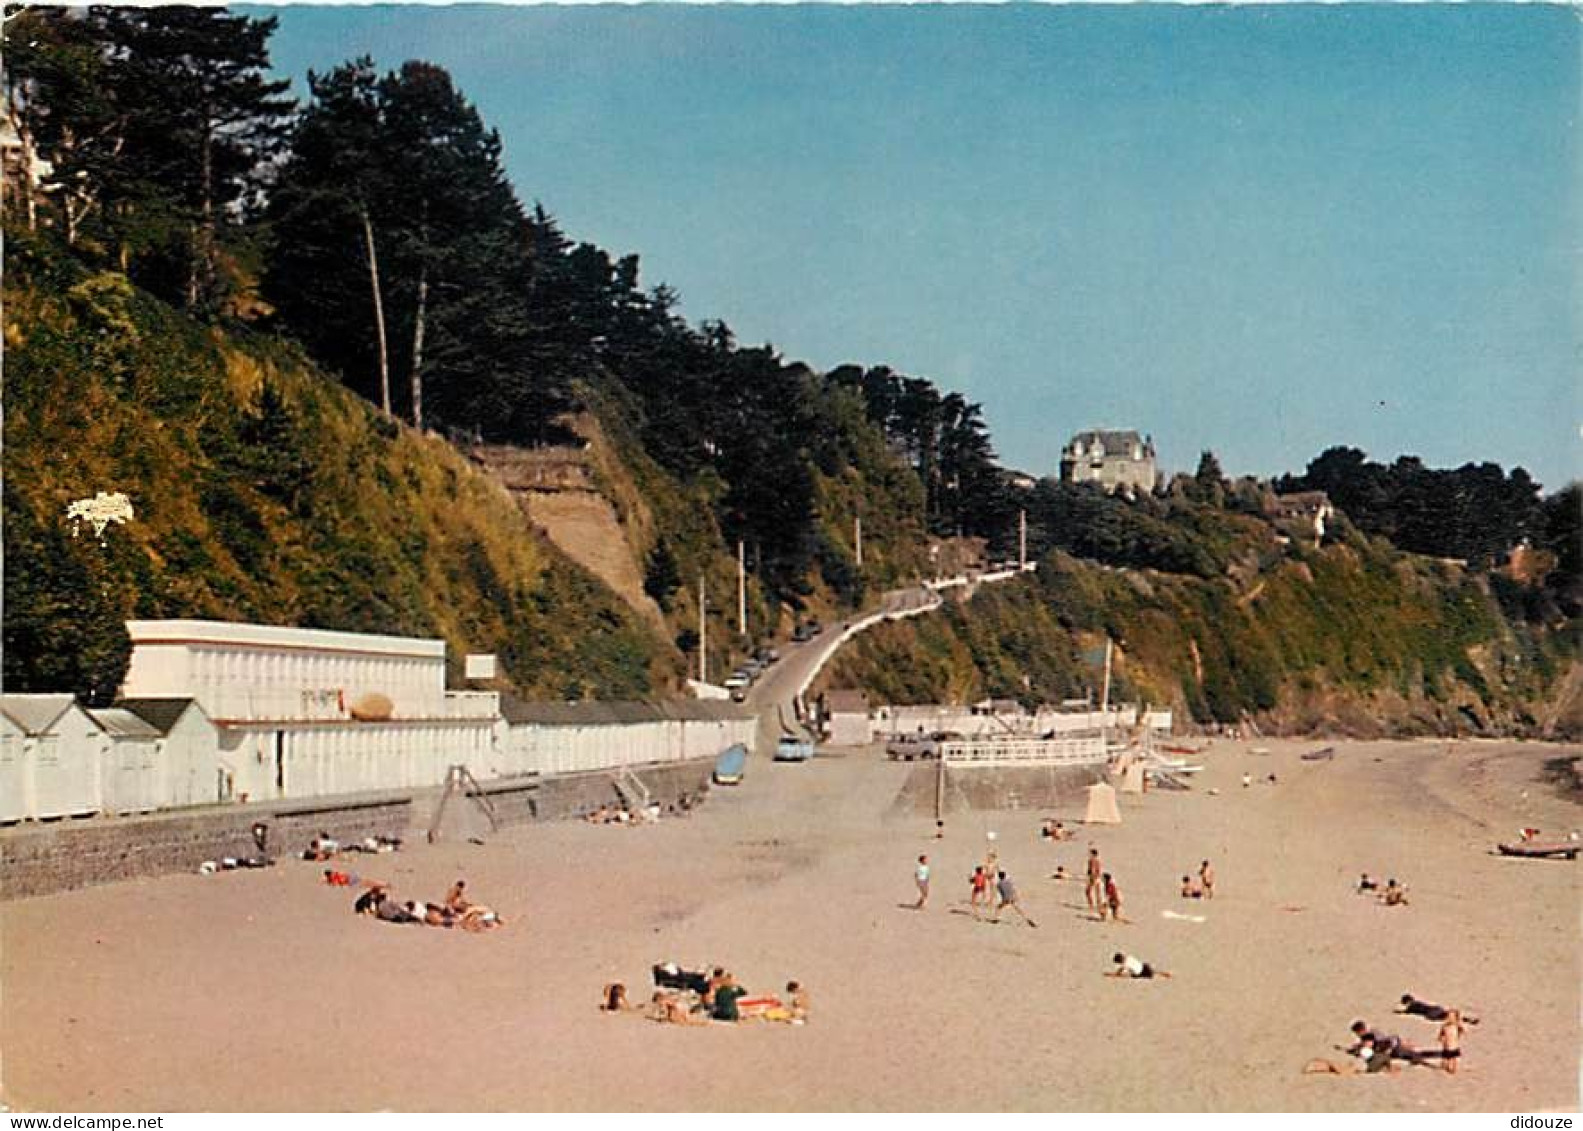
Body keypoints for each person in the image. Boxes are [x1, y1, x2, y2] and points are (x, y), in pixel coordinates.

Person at [1396, 994, 1479, 1025]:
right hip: (1435, 1008)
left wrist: (1399, 1012)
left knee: (1449, 1018)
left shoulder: (1412, 1006)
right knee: (1449, 1014)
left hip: (1431, 1013)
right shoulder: (1417, 1002)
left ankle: (1467, 1020)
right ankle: (1468, 1020)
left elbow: (1406, 1012)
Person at [1438, 1010, 1466, 1074]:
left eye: (1452, 1017)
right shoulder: (1444, 1026)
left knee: (1454, 1058)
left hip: (1454, 1045)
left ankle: (1453, 1069)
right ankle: (1445, 1065)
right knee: (1447, 1057)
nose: (1450, 1018)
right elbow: (1441, 1034)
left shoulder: (1456, 1026)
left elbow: (1463, 1031)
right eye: (1448, 1016)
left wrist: (1460, 1023)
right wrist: (1441, 1038)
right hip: (1446, 1045)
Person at [1085, 847, 1104, 913]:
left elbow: (1092, 869)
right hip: (1099, 877)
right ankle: (1099, 906)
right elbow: (1099, 870)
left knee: (1088, 892)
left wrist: (1091, 877)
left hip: (1094, 877)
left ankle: (1091, 905)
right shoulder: (1099, 860)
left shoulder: (1092, 860)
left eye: (1090, 853)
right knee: (1098, 893)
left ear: (1092, 854)